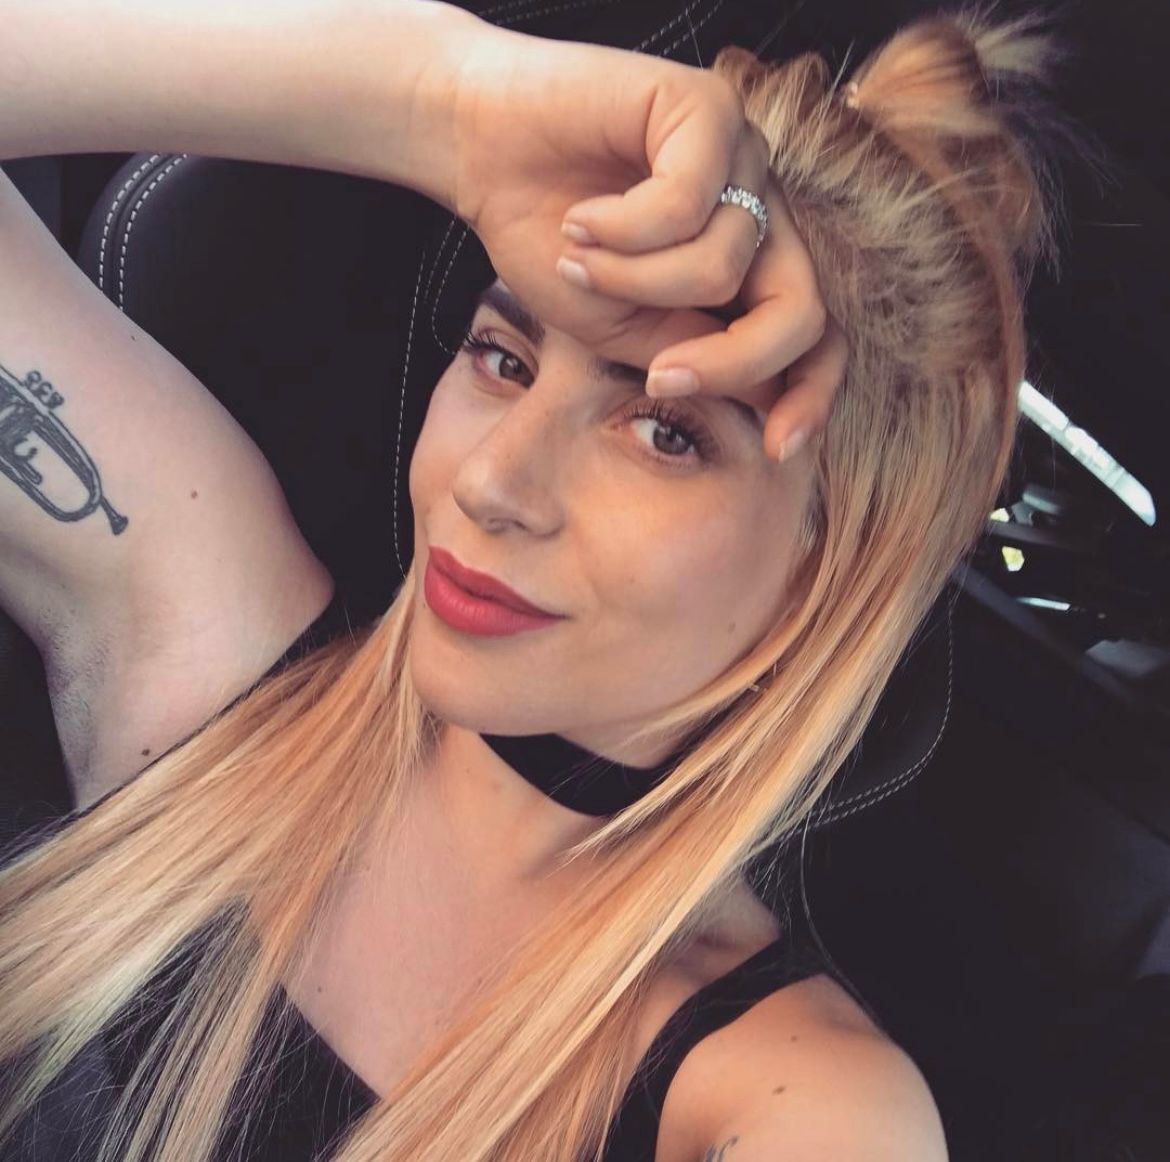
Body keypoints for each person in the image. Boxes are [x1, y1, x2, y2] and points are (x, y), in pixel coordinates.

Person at [0, 1, 1071, 1159]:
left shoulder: (793, 1099)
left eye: (663, 430)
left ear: (833, 555)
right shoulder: (211, 640)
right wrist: (444, 103)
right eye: (503, 357)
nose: (492, 482)